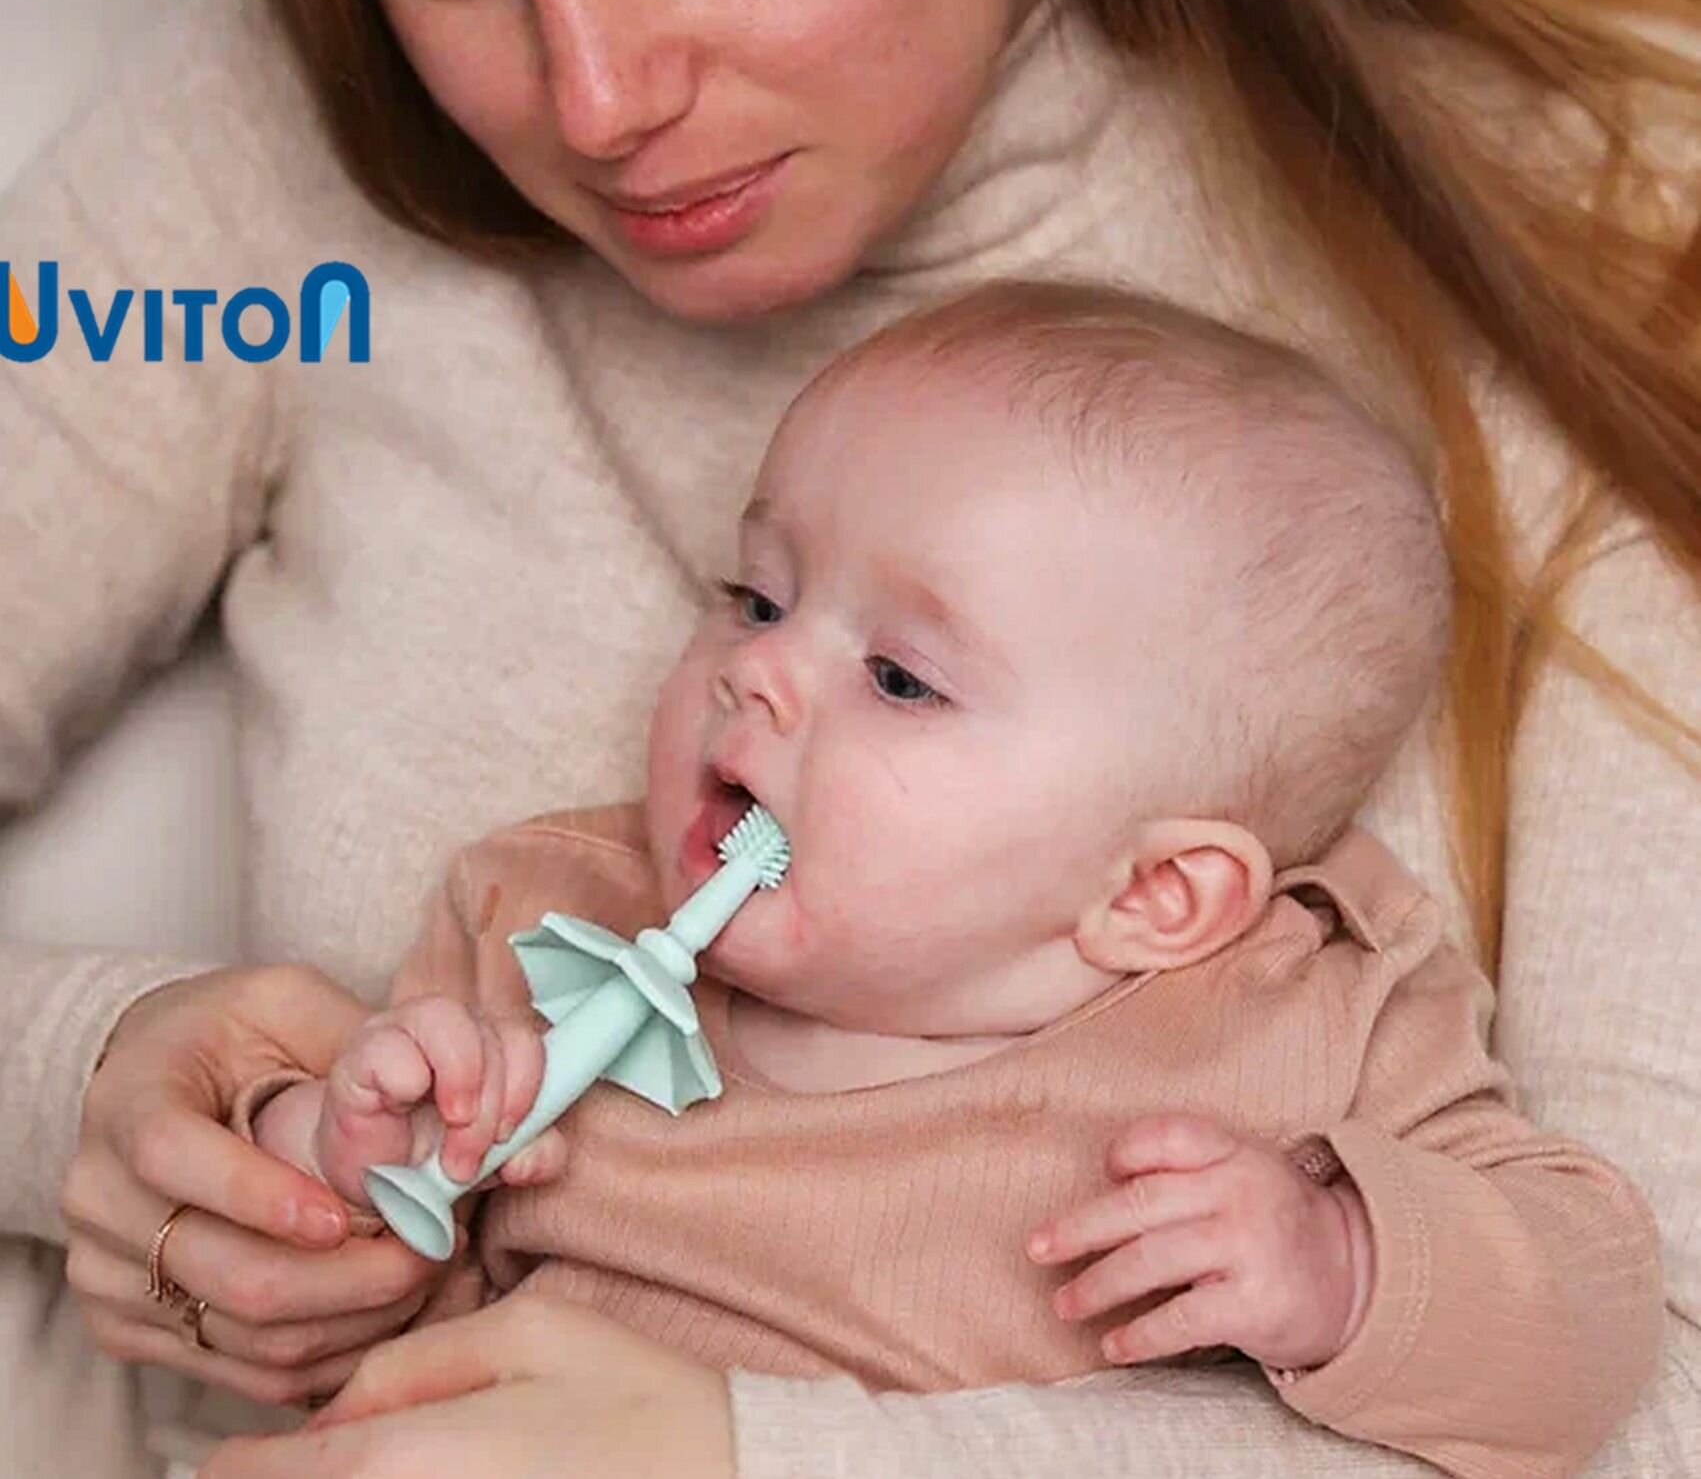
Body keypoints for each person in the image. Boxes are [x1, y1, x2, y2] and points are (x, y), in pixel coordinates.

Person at [0, 0, 1694, 1475]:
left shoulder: (1313, 1001)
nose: (596, 101)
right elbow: (388, 1257)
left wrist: (757, 1452)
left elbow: (1629, 1379)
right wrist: (175, 1112)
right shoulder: (543, 916)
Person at [237, 283, 1661, 1479]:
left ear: (1156, 895)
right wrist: (351, 1159)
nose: (758, 669)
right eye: (757, 597)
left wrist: (1343, 1264)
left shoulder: (1306, 1013)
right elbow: (347, 1336)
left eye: (901, 677)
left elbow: (1594, 1325)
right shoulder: (543, 919)